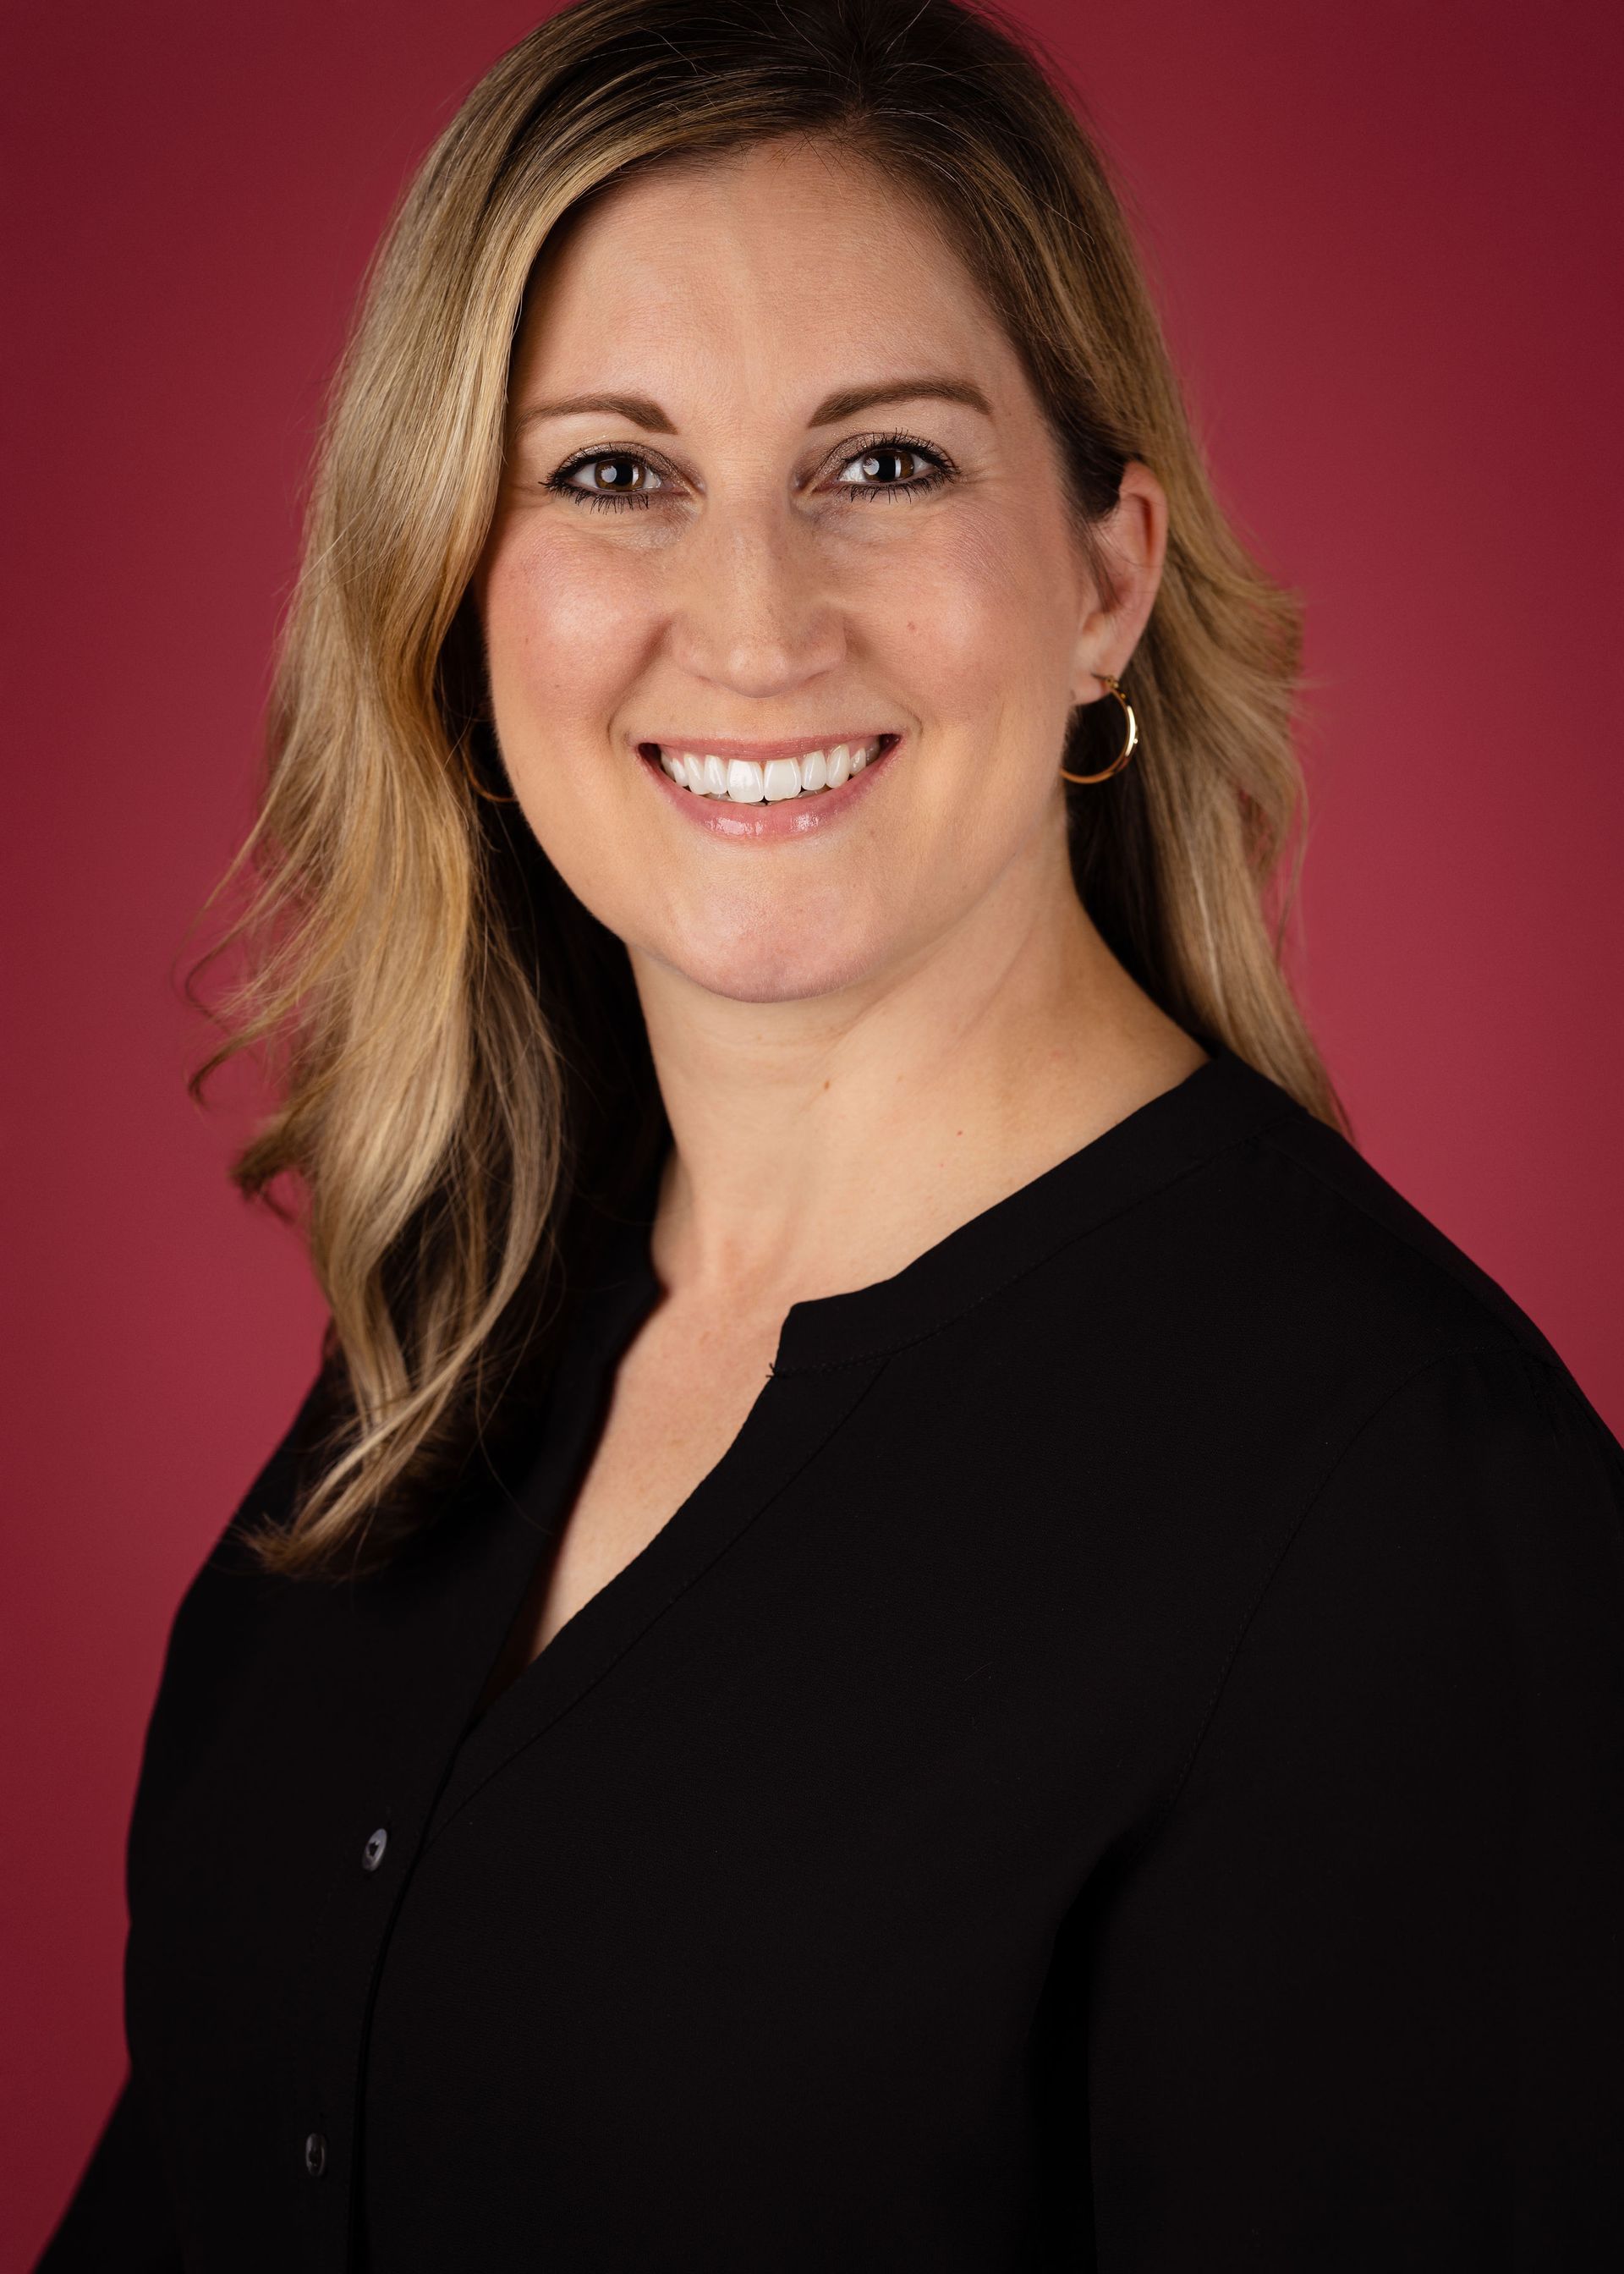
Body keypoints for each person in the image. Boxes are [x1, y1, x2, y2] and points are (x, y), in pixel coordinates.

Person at [39, 0, 1624, 2265]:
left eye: (882, 463)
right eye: (614, 472)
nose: (756, 619)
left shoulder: (1407, 1517)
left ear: (1106, 581)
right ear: (458, 589)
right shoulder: (467, 1315)